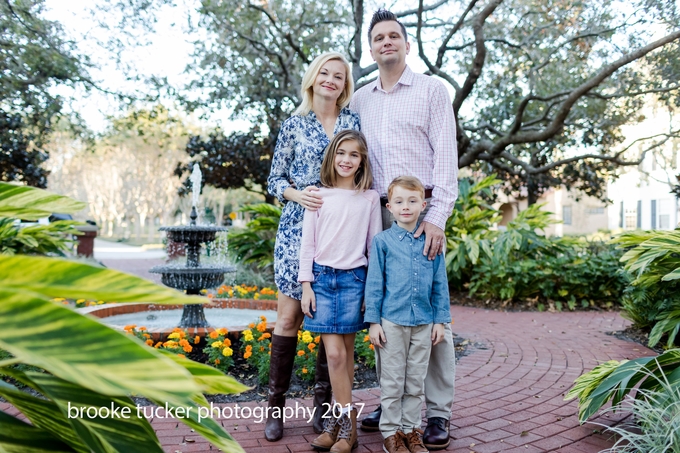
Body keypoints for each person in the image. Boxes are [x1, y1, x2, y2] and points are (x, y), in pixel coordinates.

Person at [349, 8, 459, 450]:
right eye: (379, 38)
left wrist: (437, 218)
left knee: (430, 313)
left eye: (394, 36)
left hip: (422, 211)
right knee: (390, 313)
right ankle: (392, 403)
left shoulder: (433, 90)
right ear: (371, 48)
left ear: (407, 45)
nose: (386, 42)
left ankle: (437, 412)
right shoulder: (360, 99)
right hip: (376, 213)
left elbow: (446, 158)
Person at [265, 51, 359, 442]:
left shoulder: (353, 121)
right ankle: (275, 407)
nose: (331, 80)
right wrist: (296, 195)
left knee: (332, 320)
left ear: (344, 84)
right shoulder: (294, 124)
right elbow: (274, 180)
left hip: (339, 233)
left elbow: (359, 167)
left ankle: (324, 407)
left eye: (339, 76)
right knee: (288, 319)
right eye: (325, 73)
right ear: (313, 78)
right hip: (296, 231)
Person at [298, 130, 382, 453]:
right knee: (333, 354)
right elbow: (309, 245)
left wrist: (371, 293)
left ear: (361, 162)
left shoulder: (370, 198)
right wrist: (306, 286)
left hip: (355, 281)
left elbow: (373, 248)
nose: (346, 160)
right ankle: (348, 427)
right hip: (322, 280)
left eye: (354, 155)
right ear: (332, 156)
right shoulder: (317, 195)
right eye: (341, 153)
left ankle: (337, 425)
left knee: (345, 357)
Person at [364, 176, 452, 453]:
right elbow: (375, 284)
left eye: (412, 201)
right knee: (392, 381)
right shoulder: (382, 242)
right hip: (391, 322)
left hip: (423, 323)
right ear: (389, 206)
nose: (406, 206)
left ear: (423, 205)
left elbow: (440, 284)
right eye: (399, 201)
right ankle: (391, 433)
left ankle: (412, 431)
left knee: (415, 382)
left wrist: (440, 320)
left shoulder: (432, 241)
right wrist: (374, 322)